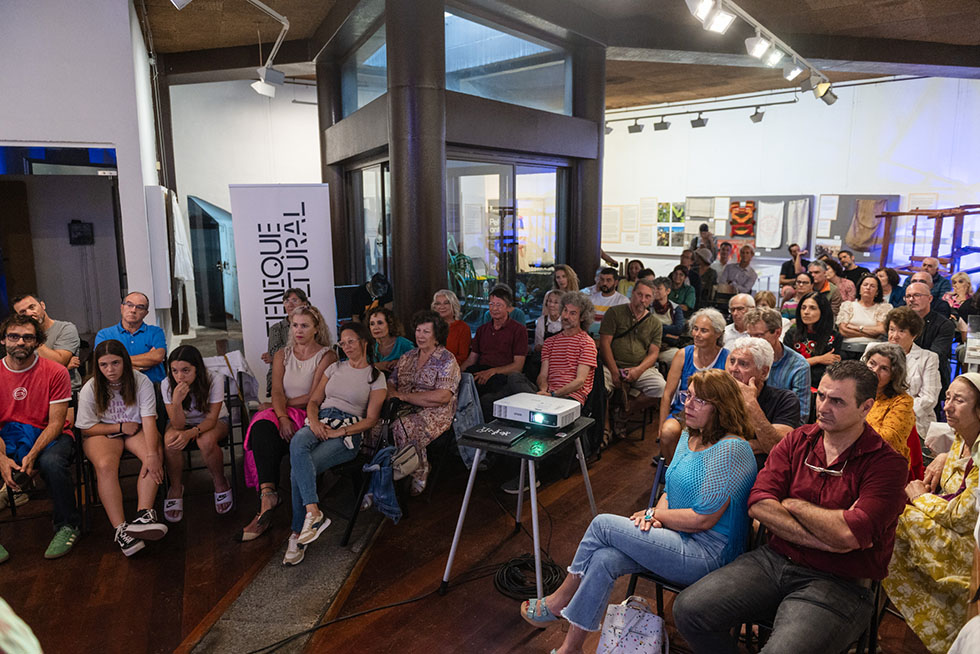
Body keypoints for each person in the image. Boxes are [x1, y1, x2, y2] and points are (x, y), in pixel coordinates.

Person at [674, 361, 909, 654]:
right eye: (821, 396)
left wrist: (793, 504)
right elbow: (758, 503)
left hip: (840, 581)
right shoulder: (799, 440)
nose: (823, 407)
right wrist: (828, 536)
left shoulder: (887, 464)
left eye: (837, 401)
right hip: (774, 559)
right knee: (689, 609)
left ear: (866, 407)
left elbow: (850, 534)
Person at [520, 370, 757, 653]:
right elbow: (669, 490)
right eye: (688, 395)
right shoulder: (688, 436)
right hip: (678, 536)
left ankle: (558, 601)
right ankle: (571, 648)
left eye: (700, 400)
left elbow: (703, 519)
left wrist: (655, 515)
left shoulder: (732, 449)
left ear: (721, 407)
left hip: (709, 554)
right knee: (604, 559)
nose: (688, 404)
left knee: (602, 525)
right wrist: (656, 514)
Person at [882, 373, 980, 654]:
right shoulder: (960, 440)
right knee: (888, 515)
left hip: (970, 546)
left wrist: (920, 497)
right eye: (947, 397)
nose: (947, 406)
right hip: (948, 524)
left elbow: (962, 516)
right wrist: (944, 456)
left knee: (893, 520)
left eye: (959, 400)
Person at [284, 322, 387, 565]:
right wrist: (314, 421)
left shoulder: (376, 377)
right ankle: (313, 512)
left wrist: (340, 432)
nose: (346, 346)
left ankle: (298, 534)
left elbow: (371, 420)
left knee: (297, 471)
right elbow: (314, 400)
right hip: (321, 419)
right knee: (298, 441)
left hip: (348, 431)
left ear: (364, 342)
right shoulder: (334, 367)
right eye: (343, 342)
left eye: (351, 341)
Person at [239, 305, 336, 542]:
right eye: (295, 325)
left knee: (271, 423)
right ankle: (268, 496)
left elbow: (314, 395)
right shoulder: (282, 354)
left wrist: (278, 406)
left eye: (305, 326)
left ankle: (299, 512)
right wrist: (281, 416)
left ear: (316, 328)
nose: (298, 330)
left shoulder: (327, 355)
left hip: (310, 411)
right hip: (283, 410)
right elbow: (277, 390)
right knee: (261, 427)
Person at [0, 314, 80, 560]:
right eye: (14, 336)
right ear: (3, 340)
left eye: (28, 337)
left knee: (51, 462)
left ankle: (67, 525)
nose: (20, 342)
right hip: (6, 437)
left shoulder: (55, 371)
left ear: (37, 342)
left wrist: (33, 454)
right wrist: (2, 459)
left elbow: (56, 423)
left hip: (51, 434)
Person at [76, 339, 167, 555]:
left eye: (115, 363)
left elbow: (148, 420)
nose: (110, 369)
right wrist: (118, 426)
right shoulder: (91, 387)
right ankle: (121, 529)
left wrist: (153, 454)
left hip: (136, 429)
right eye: (104, 365)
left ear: (125, 361)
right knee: (105, 465)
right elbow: (86, 428)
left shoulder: (141, 381)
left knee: (153, 453)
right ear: (97, 366)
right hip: (102, 431)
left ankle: (144, 515)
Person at [370, 310, 459, 495]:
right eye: (418, 330)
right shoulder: (408, 357)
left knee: (404, 426)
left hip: (435, 412)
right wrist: (394, 393)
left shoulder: (446, 359)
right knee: (374, 426)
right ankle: (379, 475)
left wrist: (403, 397)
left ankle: (419, 469)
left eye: (426, 331)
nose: (420, 335)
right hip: (403, 408)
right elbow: (391, 382)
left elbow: (443, 396)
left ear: (436, 335)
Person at [160, 345, 232, 522]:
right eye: (175, 371)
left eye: (185, 370)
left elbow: (211, 419)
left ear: (197, 368)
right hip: (183, 423)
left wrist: (191, 433)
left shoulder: (214, 379)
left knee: (205, 440)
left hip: (215, 420)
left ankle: (220, 481)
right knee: (170, 441)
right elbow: (177, 425)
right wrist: (177, 403)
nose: (179, 376)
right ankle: (175, 487)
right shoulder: (166, 384)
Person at [659, 308, 728, 460]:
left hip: (712, 417)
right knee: (668, 432)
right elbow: (667, 394)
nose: (697, 334)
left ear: (717, 333)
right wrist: (661, 426)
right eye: (695, 329)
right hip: (683, 411)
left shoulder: (727, 358)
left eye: (704, 330)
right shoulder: (683, 354)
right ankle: (673, 468)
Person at [461, 286, 536, 418]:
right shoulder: (482, 330)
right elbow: (471, 359)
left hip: (503, 375)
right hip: (481, 371)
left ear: (508, 308)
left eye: (499, 305)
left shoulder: (518, 330)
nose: (494, 309)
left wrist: (492, 371)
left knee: (484, 397)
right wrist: (455, 373)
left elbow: (518, 366)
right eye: (491, 304)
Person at [726, 337, 800, 468]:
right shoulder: (719, 394)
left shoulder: (785, 399)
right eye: (732, 361)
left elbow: (778, 447)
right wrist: (755, 444)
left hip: (764, 471)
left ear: (763, 372)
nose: (733, 369)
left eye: (743, 364)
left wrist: (750, 403)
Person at [598, 279, 665, 406]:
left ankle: (627, 410)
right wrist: (614, 372)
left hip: (639, 367)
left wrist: (638, 370)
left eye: (647, 296)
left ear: (652, 299)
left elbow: (653, 353)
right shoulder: (614, 313)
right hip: (611, 365)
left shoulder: (655, 323)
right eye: (639, 294)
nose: (643, 300)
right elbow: (604, 344)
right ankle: (606, 417)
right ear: (632, 293)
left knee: (661, 388)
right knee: (600, 387)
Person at [744, 308, 811, 425]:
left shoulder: (799, 366)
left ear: (777, 332)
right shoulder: (744, 360)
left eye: (759, 335)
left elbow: (800, 417)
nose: (753, 342)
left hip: (783, 427)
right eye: (750, 336)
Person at [885, 307, 941, 441]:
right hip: (876, 414)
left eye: (902, 331)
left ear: (914, 335)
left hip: (913, 419)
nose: (894, 336)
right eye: (892, 329)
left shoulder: (928, 358)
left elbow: (929, 398)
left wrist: (898, 411)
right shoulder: (873, 351)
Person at [536, 293, 597, 406]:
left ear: (582, 317)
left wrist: (554, 394)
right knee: (515, 378)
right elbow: (543, 375)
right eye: (565, 310)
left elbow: (580, 381)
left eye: (572, 313)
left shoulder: (587, 343)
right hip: (548, 394)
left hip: (571, 397)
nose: (566, 316)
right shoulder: (550, 342)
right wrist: (544, 392)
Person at [11, 294, 81, 392]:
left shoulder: (65, 329)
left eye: (32, 307)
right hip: (33, 391)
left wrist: (33, 334)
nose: (29, 313)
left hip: (65, 391)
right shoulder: (18, 337)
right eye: (23, 312)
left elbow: (58, 362)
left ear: (42, 305)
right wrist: (65, 367)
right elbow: (16, 369)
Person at [95, 292, 166, 384]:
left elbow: (157, 357)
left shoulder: (156, 332)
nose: (133, 310)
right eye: (129, 305)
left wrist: (119, 361)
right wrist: (145, 360)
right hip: (118, 386)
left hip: (154, 385)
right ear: (122, 308)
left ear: (146, 313)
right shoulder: (104, 335)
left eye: (140, 307)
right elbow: (102, 362)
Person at [905, 280, 956, 408]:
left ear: (930, 298)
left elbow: (935, 355)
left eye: (917, 295)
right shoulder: (899, 320)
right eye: (908, 296)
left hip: (931, 373)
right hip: (901, 370)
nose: (911, 299)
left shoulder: (944, 325)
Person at [861, 342, 914, 461]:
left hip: (883, 461)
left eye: (884, 368)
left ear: (894, 375)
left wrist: (849, 427)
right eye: (872, 363)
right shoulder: (854, 390)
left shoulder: (902, 402)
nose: (874, 371)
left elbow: (889, 439)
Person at [783, 291, 841, 390]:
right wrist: (818, 359)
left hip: (822, 386)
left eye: (812, 308)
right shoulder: (791, 334)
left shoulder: (834, 337)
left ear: (823, 311)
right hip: (793, 383)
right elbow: (788, 365)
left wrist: (804, 363)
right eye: (803, 308)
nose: (806, 312)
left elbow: (832, 366)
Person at [261, 288, 308, 395]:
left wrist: (283, 353)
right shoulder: (276, 328)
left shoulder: (313, 325)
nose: (290, 304)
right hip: (282, 374)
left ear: (304, 303)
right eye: (286, 301)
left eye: (294, 300)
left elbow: (317, 348)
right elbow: (276, 353)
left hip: (307, 371)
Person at [836, 273, 892, 358]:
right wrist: (871, 334)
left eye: (872, 286)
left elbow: (881, 330)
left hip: (873, 350)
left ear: (877, 292)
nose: (868, 288)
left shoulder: (883, 307)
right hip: (847, 350)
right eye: (865, 285)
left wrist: (857, 327)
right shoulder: (848, 305)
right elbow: (843, 330)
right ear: (859, 289)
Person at [368, 307, 414, 374]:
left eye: (380, 323)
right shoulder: (368, 346)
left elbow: (417, 364)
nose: (375, 327)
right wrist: (377, 366)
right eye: (372, 324)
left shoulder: (404, 344)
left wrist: (401, 362)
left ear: (390, 324)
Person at [650, 277, 686, 364]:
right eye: (654, 288)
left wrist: (657, 329)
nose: (655, 291)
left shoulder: (675, 308)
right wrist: (667, 334)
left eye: (659, 289)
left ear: (668, 291)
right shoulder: (649, 307)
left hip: (667, 348)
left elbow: (678, 329)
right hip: (649, 346)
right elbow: (647, 328)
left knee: (678, 356)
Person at [431, 289, 470, 365]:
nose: (442, 307)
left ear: (453, 305)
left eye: (446, 303)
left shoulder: (463, 328)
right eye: (438, 303)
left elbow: (462, 357)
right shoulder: (429, 326)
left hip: (450, 367)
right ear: (434, 307)